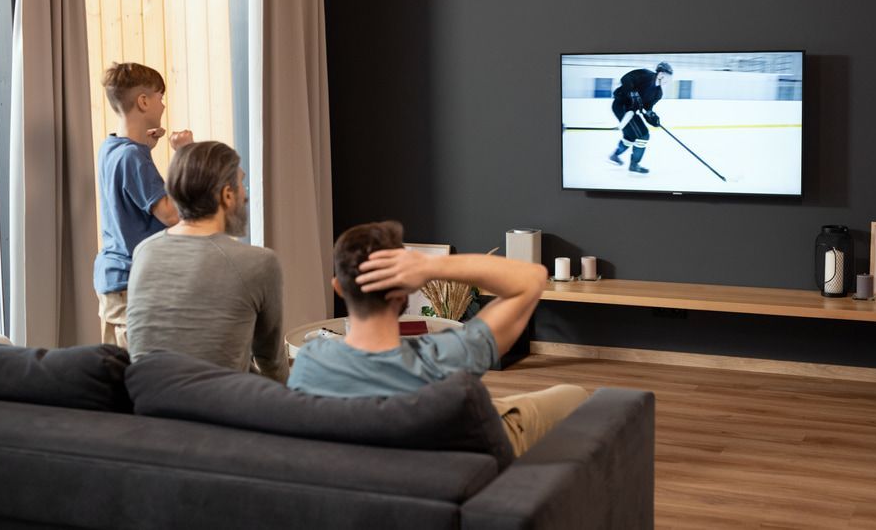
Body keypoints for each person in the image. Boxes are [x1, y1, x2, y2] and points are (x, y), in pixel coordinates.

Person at [288, 221, 589, 456]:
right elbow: (533, 277)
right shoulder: (446, 357)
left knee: (503, 403)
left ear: (338, 288)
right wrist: (430, 266)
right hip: (473, 444)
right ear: (405, 291)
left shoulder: (309, 362)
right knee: (574, 394)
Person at [126, 141, 289, 383]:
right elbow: (271, 364)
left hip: (145, 405)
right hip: (219, 411)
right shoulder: (260, 263)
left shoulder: (143, 252)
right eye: (241, 184)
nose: (245, 195)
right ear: (227, 194)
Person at [93, 63, 193, 348]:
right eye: (161, 97)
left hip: (113, 278)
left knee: (116, 371)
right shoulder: (133, 158)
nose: (162, 106)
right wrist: (183, 155)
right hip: (130, 280)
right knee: (138, 372)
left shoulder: (110, 148)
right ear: (143, 101)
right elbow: (171, 214)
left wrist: (145, 150)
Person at [608, 61, 673, 174]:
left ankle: (615, 155)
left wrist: (652, 117)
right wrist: (632, 91)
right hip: (621, 105)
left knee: (631, 137)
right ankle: (634, 165)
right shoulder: (645, 75)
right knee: (643, 135)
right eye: (667, 76)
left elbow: (646, 109)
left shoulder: (658, 93)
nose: (668, 80)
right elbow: (625, 79)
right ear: (661, 74)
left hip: (631, 111)